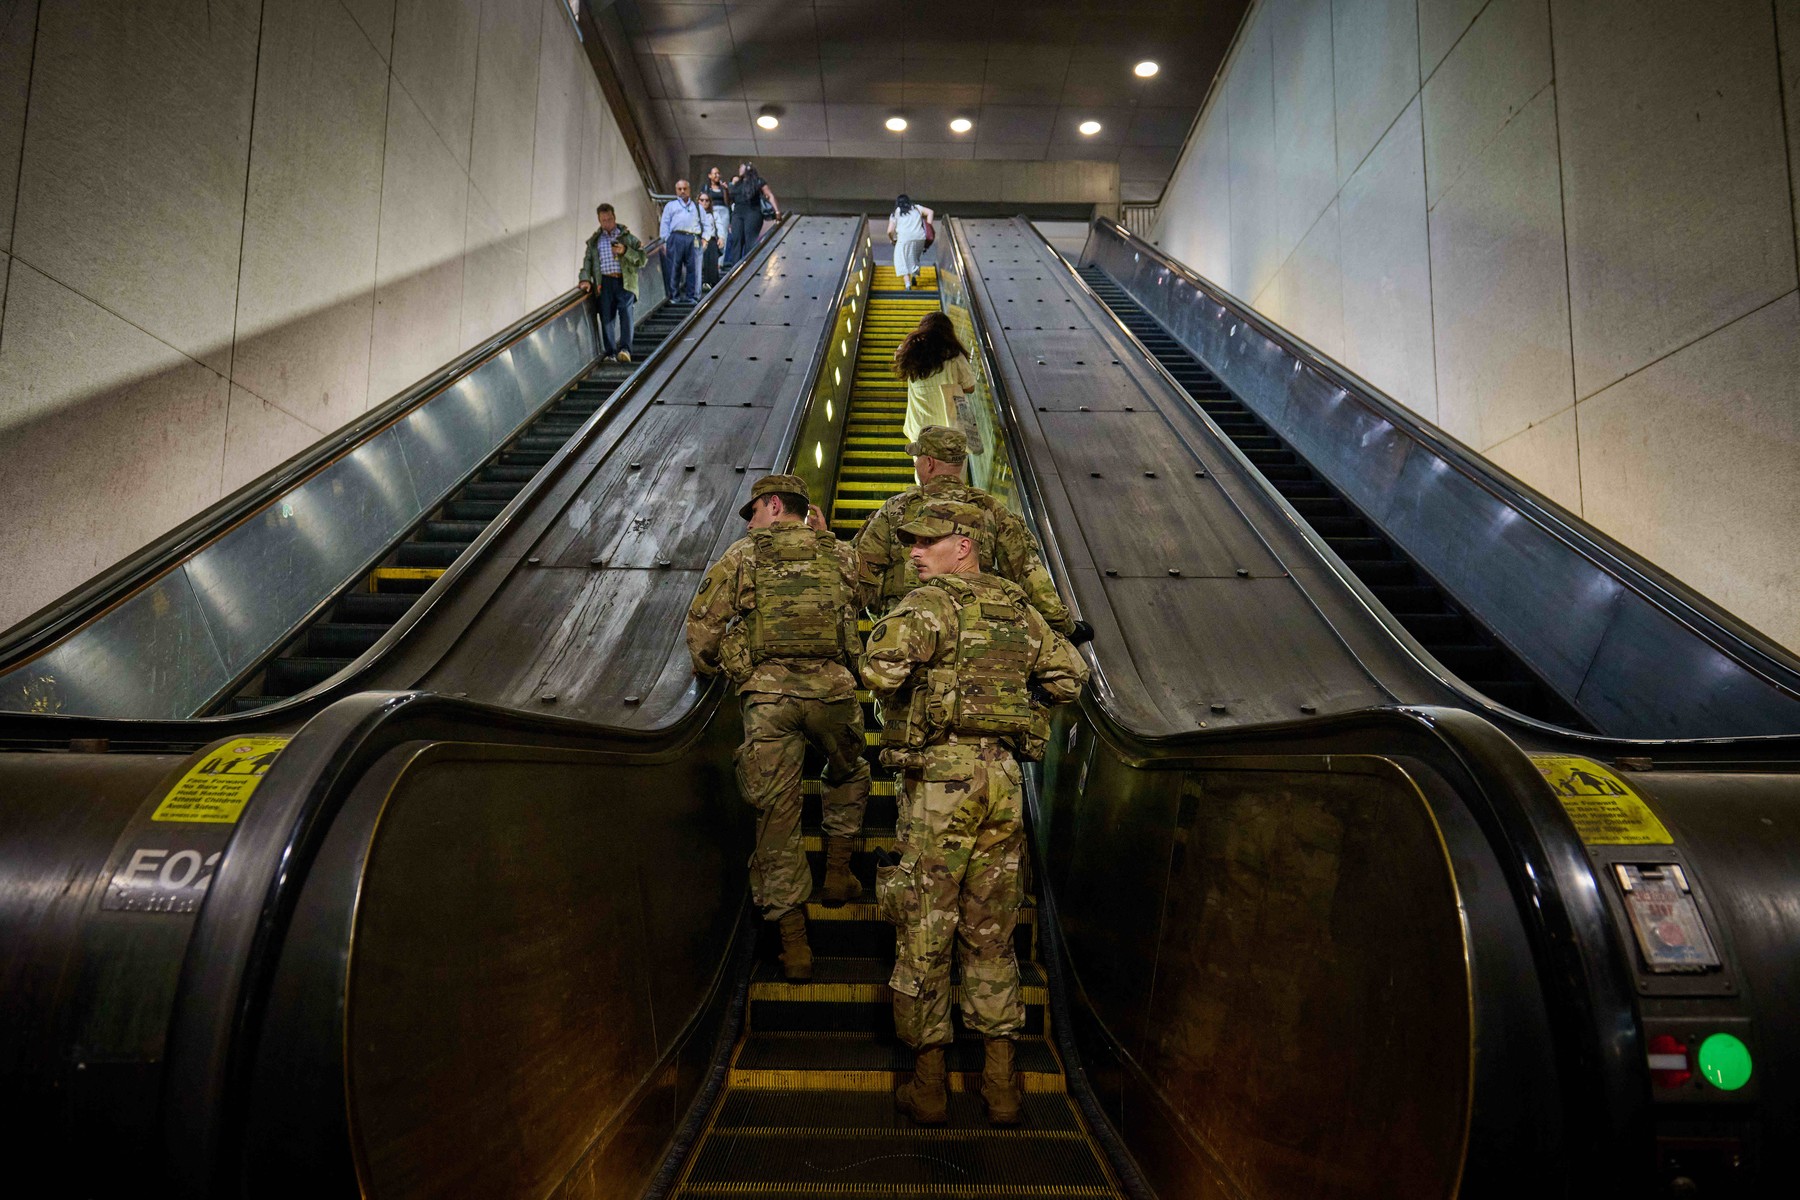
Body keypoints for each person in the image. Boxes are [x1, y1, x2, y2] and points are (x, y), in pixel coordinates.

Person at [862, 499, 1088, 1127]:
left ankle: (930, 1089)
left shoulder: (929, 604)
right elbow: (1069, 678)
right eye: (910, 542)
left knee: (926, 923)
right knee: (991, 931)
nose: (913, 552)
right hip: (1005, 778)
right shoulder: (1018, 607)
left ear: (963, 544)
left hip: (941, 777)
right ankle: (1002, 1089)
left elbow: (878, 670)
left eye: (927, 542)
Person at [686, 474, 872, 982]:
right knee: (850, 770)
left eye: (753, 512)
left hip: (768, 698)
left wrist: (722, 669)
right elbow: (862, 602)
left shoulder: (743, 557)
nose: (750, 522)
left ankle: (795, 947)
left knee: (776, 816)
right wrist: (828, 540)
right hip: (833, 690)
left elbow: (703, 626)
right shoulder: (841, 554)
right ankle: (838, 872)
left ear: (773, 505)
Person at [853, 426, 1081, 639]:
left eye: (917, 459)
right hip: (976, 633)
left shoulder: (895, 508)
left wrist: (878, 619)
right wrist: (1063, 625)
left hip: (909, 632)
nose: (916, 465)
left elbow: (863, 571)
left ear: (929, 463)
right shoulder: (991, 509)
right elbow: (1027, 572)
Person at [894, 311, 977, 446]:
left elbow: (898, 356)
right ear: (948, 332)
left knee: (925, 466)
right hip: (951, 430)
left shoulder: (912, 355)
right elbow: (970, 387)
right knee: (953, 465)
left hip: (920, 430)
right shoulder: (955, 357)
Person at [578, 203, 645, 363]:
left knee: (626, 314)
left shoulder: (627, 237)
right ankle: (610, 353)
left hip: (625, 280)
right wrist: (585, 279)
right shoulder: (595, 241)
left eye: (609, 219)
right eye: (603, 220)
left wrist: (625, 251)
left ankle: (625, 349)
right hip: (604, 282)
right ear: (599, 221)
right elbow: (587, 261)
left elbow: (642, 259)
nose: (607, 222)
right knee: (606, 317)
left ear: (614, 218)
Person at [722, 162, 780, 268]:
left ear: (748, 169)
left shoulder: (758, 181)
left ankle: (749, 267)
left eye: (741, 167)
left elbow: (769, 195)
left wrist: (777, 211)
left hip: (753, 212)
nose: (739, 169)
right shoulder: (738, 184)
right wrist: (726, 190)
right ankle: (735, 268)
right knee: (737, 240)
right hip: (738, 214)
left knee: (750, 240)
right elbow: (728, 202)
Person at [659, 179, 704, 304]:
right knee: (674, 267)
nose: (682, 191)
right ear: (676, 190)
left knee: (694, 268)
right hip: (676, 237)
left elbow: (705, 223)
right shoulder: (671, 206)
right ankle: (674, 296)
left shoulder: (697, 206)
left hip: (693, 237)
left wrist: (705, 238)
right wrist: (665, 241)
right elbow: (665, 224)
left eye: (685, 188)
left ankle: (693, 296)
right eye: (680, 189)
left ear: (689, 190)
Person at [886, 194, 934, 289]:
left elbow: (889, 231)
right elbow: (930, 212)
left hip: (904, 239)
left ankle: (908, 284)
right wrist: (929, 226)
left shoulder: (896, 212)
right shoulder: (916, 208)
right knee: (914, 257)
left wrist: (892, 240)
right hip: (920, 238)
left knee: (901, 260)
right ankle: (914, 276)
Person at [698, 192, 726, 291]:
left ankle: (712, 283)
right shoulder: (694, 214)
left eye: (707, 200)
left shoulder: (714, 214)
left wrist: (721, 238)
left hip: (711, 240)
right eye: (702, 200)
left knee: (712, 261)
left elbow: (719, 226)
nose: (704, 202)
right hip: (698, 240)